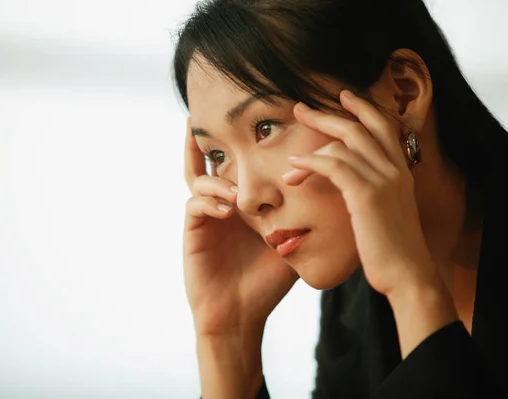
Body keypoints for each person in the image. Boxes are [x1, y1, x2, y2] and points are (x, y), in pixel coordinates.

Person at [173, 0, 508, 397]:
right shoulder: (353, 301)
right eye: (218, 156)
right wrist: (226, 342)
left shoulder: (381, 279)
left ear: (402, 93)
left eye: (266, 127)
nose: (246, 198)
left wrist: (411, 286)